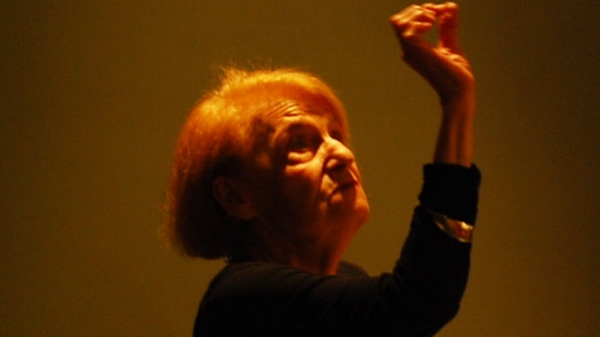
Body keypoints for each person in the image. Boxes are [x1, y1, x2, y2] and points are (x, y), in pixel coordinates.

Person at [164, 2, 481, 336]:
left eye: (337, 135)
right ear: (237, 197)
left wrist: (458, 103)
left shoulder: (347, 279)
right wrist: (456, 104)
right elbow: (418, 301)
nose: (342, 153)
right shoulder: (242, 297)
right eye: (299, 144)